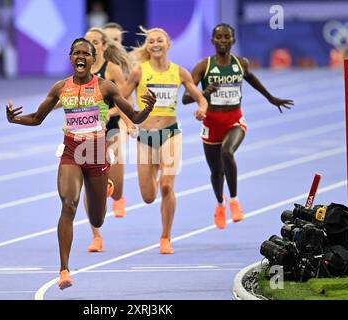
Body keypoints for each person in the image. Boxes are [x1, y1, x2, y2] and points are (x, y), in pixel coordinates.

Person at [6, 38, 156, 290]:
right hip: (72, 151)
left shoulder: (106, 87)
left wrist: (148, 109)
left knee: (97, 220)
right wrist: (15, 120)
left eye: (86, 53)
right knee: (69, 203)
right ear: (70, 58)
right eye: (76, 53)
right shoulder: (60, 87)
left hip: (96, 153)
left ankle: (103, 186)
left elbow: (135, 116)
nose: (81, 57)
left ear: (93, 59)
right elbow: (37, 117)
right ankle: (64, 269)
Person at [182, 23, 294, 229]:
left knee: (227, 152)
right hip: (211, 124)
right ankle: (220, 204)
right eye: (219, 37)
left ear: (233, 40)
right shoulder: (203, 66)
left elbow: (250, 78)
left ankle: (234, 201)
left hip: (234, 120)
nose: (223, 40)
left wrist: (270, 98)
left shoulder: (240, 63)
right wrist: (205, 92)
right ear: (212, 41)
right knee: (216, 172)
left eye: (227, 37)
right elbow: (186, 98)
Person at [122, 26, 208, 254]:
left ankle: (165, 237)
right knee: (149, 197)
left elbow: (201, 100)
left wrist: (202, 109)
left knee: (168, 185)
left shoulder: (179, 72)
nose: (155, 44)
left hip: (170, 133)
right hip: (145, 136)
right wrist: (129, 121)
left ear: (168, 44)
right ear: (147, 47)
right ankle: (156, 171)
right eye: (151, 42)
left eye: (159, 40)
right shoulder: (139, 72)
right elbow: (120, 98)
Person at [83, 28, 134, 253]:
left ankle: (118, 195)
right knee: (88, 184)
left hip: (111, 129)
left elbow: (122, 100)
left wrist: (128, 122)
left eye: (95, 41)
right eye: (87, 42)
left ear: (103, 46)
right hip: (85, 132)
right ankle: (96, 236)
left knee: (115, 183)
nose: (91, 45)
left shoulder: (111, 69)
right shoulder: (79, 70)